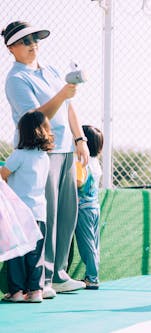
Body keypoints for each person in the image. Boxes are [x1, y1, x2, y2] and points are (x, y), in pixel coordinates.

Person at [2, 21, 89, 298]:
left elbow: (69, 107)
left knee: (66, 214)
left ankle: (60, 273)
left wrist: (80, 140)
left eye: (36, 39)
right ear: (11, 48)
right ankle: (45, 278)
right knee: (46, 215)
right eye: (25, 41)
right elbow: (34, 119)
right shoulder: (16, 79)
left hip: (65, 151)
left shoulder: (50, 71)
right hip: (41, 153)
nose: (33, 44)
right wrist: (62, 93)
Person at [0, 111, 54, 303]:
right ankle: (35, 291)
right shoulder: (44, 157)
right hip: (39, 212)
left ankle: (16, 292)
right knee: (36, 254)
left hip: (18, 213)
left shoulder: (19, 155)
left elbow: (3, 173)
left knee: (16, 253)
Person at [75, 125, 104, 290]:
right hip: (94, 207)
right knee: (94, 243)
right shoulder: (96, 163)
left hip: (83, 208)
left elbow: (79, 183)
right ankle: (92, 275)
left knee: (86, 244)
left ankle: (92, 278)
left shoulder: (82, 162)